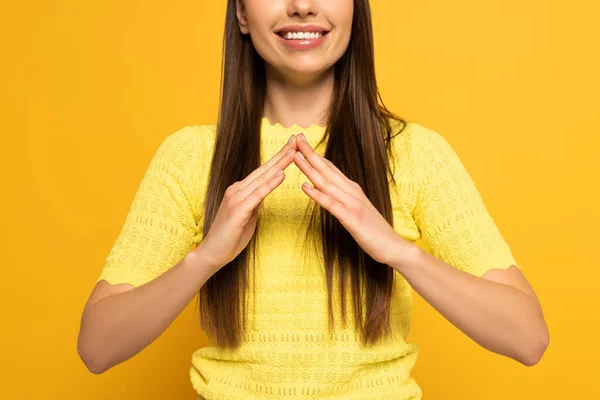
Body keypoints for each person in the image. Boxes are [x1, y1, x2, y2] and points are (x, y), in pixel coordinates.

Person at [77, 0, 549, 398]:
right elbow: (97, 348)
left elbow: (527, 338)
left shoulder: (413, 154)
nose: (302, 6)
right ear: (241, 12)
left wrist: (397, 251)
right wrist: (203, 260)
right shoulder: (190, 156)